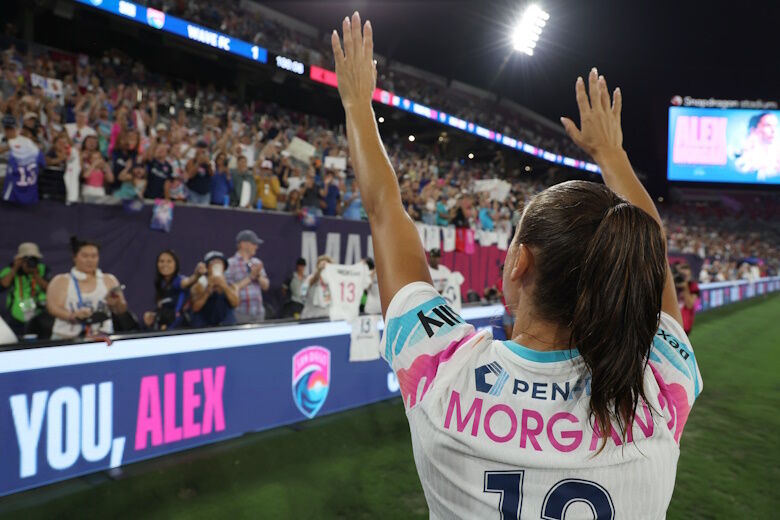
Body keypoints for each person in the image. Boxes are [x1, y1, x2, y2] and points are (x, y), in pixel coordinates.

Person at [332, 18, 700, 518]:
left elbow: (382, 207)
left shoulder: (443, 371)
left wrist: (357, 104)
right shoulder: (657, 390)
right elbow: (650, 249)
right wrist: (611, 154)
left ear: (520, 261)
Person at [47, 237, 127, 339]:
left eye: (94, 256)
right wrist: (73, 316)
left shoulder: (109, 280)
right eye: (85, 256)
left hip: (102, 336)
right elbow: (53, 308)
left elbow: (121, 310)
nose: (90, 260)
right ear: (75, 257)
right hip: (67, 337)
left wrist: (116, 303)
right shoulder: (61, 280)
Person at [0, 242, 52, 337]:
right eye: (26, 259)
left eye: (33, 259)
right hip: (15, 316)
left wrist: (35, 275)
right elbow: (4, 284)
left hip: (38, 315)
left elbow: (50, 289)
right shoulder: (10, 270)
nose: (30, 262)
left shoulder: (42, 269)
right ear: (20, 259)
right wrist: (15, 268)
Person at [143, 250, 204, 331]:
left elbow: (188, 281)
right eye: (161, 261)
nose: (165, 264)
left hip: (180, 330)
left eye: (169, 261)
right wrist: (153, 316)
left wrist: (197, 274)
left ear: (176, 264)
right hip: (165, 331)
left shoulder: (178, 280)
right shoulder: (161, 285)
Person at [225, 230, 270, 323]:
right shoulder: (230, 264)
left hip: (258, 312)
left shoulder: (257, 262)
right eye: (254, 243)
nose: (256, 247)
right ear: (243, 244)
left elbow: (266, 286)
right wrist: (250, 277)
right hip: (240, 313)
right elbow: (229, 290)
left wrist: (258, 276)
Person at [2, 114, 46, 205]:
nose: (8, 131)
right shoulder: (27, 142)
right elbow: (42, 161)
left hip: (16, 185)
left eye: (10, 129)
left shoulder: (16, 142)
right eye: (7, 129)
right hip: (30, 187)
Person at [190, 251, 239, 327]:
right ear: (207, 267)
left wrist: (224, 286)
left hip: (227, 328)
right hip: (204, 329)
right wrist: (208, 290)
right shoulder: (198, 286)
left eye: (219, 263)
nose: (216, 265)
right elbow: (195, 308)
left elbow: (235, 303)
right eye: (213, 263)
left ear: (224, 267)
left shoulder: (231, 285)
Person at [673, 261, 700, 335]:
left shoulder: (693, 286)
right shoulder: (673, 283)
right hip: (672, 321)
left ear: (690, 273)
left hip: (684, 324)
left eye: (685, 269)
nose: (683, 274)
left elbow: (689, 305)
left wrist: (685, 287)